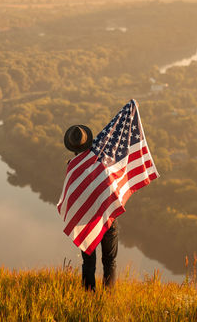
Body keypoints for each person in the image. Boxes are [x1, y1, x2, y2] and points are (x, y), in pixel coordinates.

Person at [63, 124, 118, 292]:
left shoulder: (72, 166)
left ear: (72, 148)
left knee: (88, 262)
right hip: (108, 217)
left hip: (85, 221)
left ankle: (89, 295)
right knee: (110, 261)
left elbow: (72, 195)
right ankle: (109, 295)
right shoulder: (102, 161)